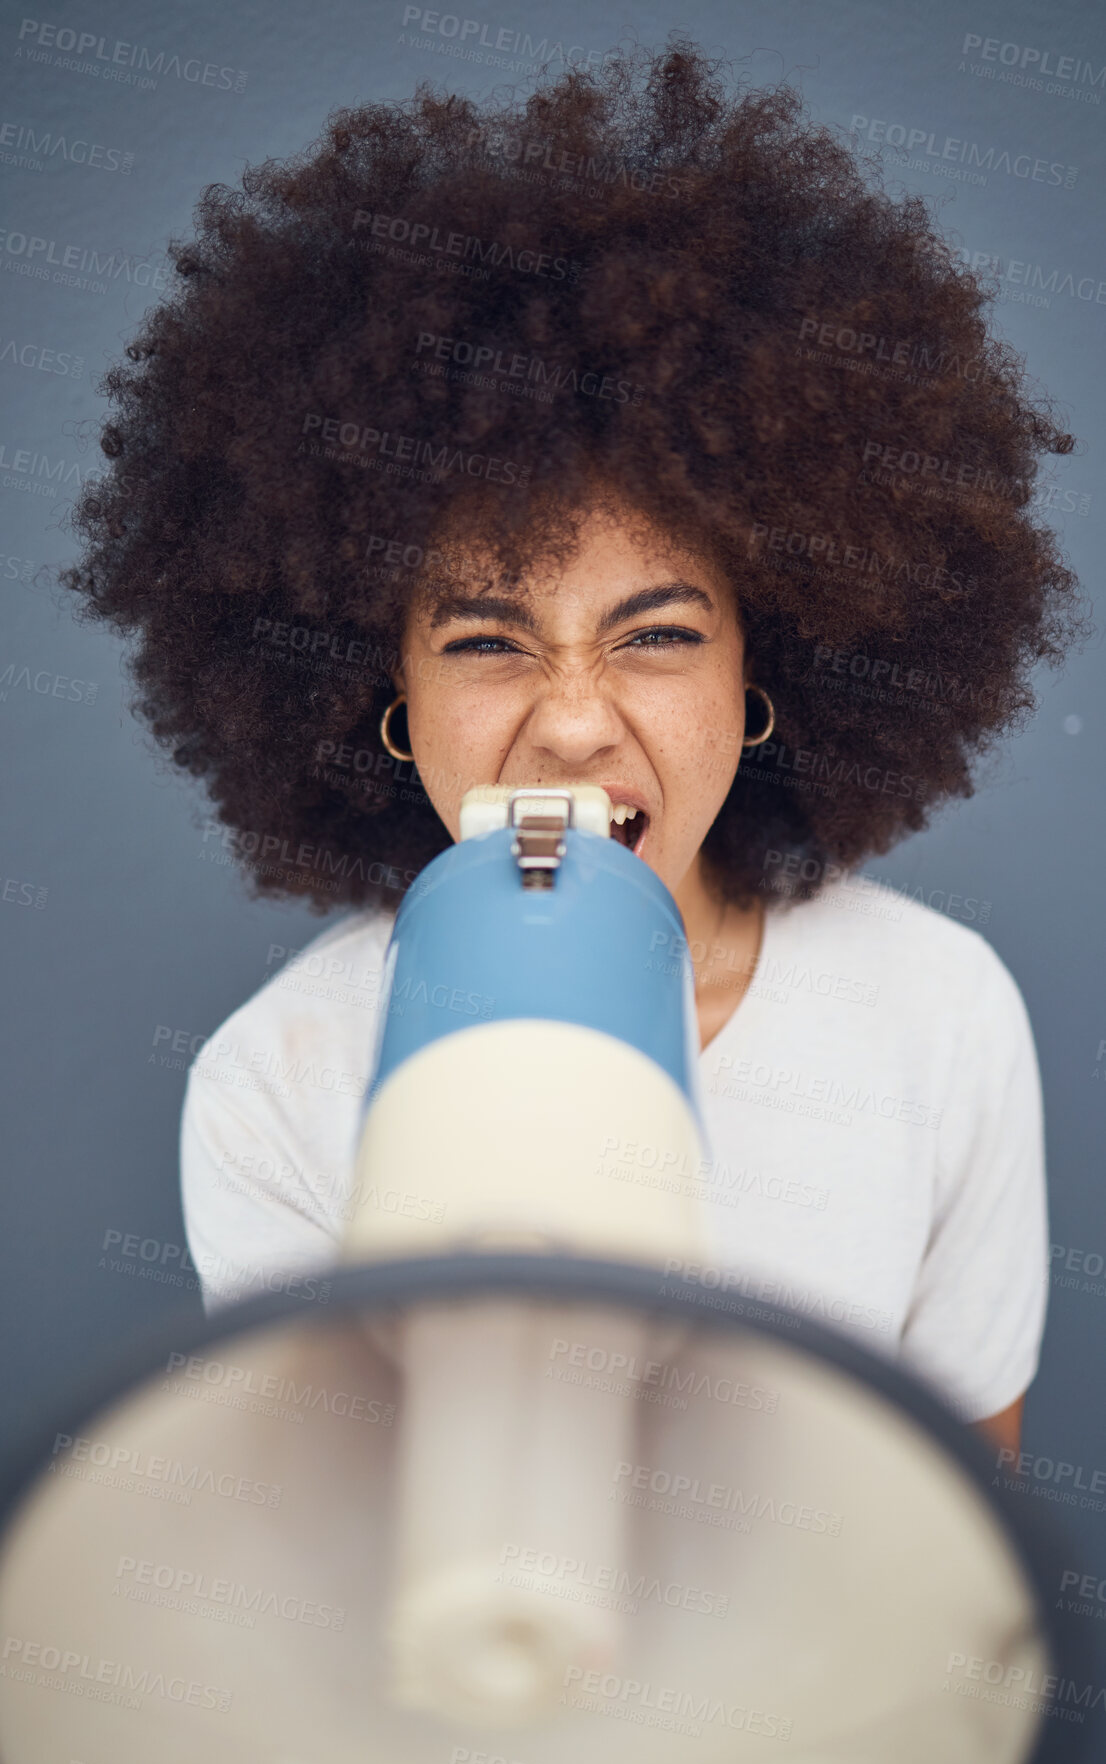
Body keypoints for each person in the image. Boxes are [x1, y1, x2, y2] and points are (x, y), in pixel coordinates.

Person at [63, 40, 1086, 1456]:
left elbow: (966, 1533)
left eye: (655, 636)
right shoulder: (279, 1079)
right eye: (487, 643)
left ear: (756, 675)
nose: (571, 717)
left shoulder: (936, 1009)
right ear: (390, 696)